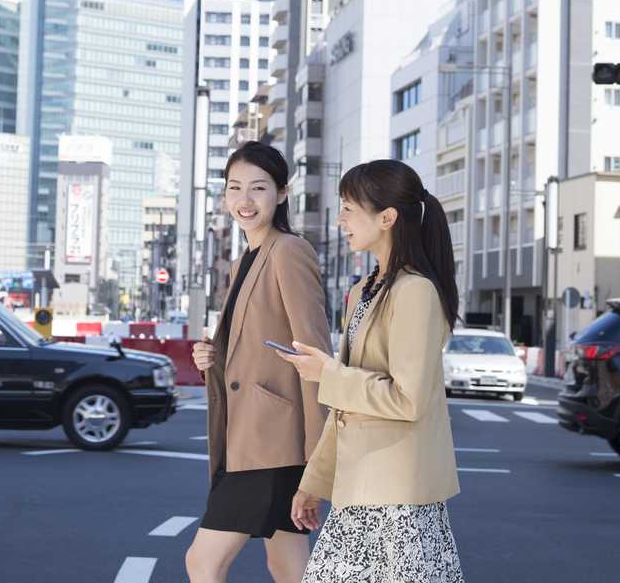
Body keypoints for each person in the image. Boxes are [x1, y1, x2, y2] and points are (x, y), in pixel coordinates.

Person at [278, 159, 466, 583]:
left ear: (387, 217)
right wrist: (314, 482)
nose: (341, 219)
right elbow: (346, 406)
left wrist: (328, 374)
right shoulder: (366, 289)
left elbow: (407, 398)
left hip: (397, 499)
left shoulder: (415, 292)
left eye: (348, 207)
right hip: (361, 490)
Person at [186, 141, 332, 583]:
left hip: (273, 445)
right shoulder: (243, 262)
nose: (244, 201)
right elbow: (254, 347)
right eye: (234, 188)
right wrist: (212, 357)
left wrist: (317, 458)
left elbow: (313, 353)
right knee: (287, 565)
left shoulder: (288, 251)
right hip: (251, 437)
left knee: (203, 562)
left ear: (282, 193)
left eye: (258, 188)